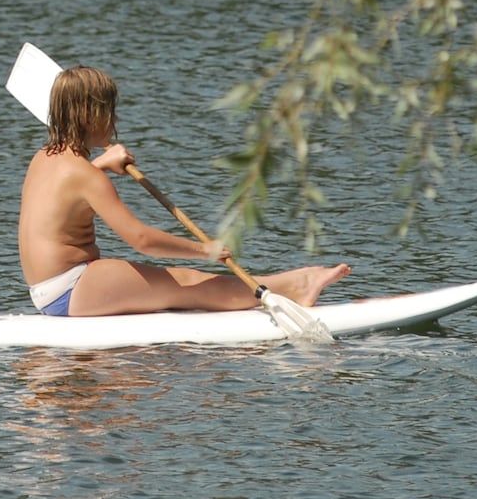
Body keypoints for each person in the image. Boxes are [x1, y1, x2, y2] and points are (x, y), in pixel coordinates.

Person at [18, 64, 350, 317]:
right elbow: (142, 240)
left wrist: (102, 163)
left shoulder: (43, 159)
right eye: (109, 111)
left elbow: (68, 190)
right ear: (92, 116)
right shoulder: (87, 177)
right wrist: (203, 249)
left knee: (181, 280)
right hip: (73, 288)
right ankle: (297, 285)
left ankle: (291, 282)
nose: (114, 119)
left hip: (45, 291)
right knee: (190, 282)